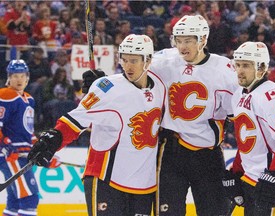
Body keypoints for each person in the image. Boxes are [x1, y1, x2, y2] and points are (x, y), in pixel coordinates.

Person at [27, 34, 166, 216]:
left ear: (148, 61)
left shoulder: (161, 87)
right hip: (106, 179)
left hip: (143, 185)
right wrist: (54, 139)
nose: (128, 66)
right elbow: (75, 120)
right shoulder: (107, 88)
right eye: (124, 59)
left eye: (134, 60)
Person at [149, 15, 238, 215]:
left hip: (207, 154)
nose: (182, 46)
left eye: (188, 40)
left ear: (203, 40)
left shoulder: (224, 70)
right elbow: (134, 70)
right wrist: (101, 80)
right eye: (178, 40)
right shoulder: (164, 59)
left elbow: (241, 116)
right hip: (171, 151)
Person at [222, 41, 275, 215]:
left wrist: (273, 178)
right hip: (252, 180)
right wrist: (236, 172)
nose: (240, 70)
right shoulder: (238, 95)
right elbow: (247, 142)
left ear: (261, 68)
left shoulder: (274, 95)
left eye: (246, 65)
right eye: (238, 65)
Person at [0, 59, 39, 216]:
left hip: (23, 155)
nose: (19, 79)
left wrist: (41, 149)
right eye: (15, 76)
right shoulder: (5, 95)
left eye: (22, 75)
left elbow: (29, 131)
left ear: (27, 77)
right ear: (9, 77)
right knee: (29, 199)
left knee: (15, 201)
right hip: (11, 156)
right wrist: (5, 146)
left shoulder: (29, 99)